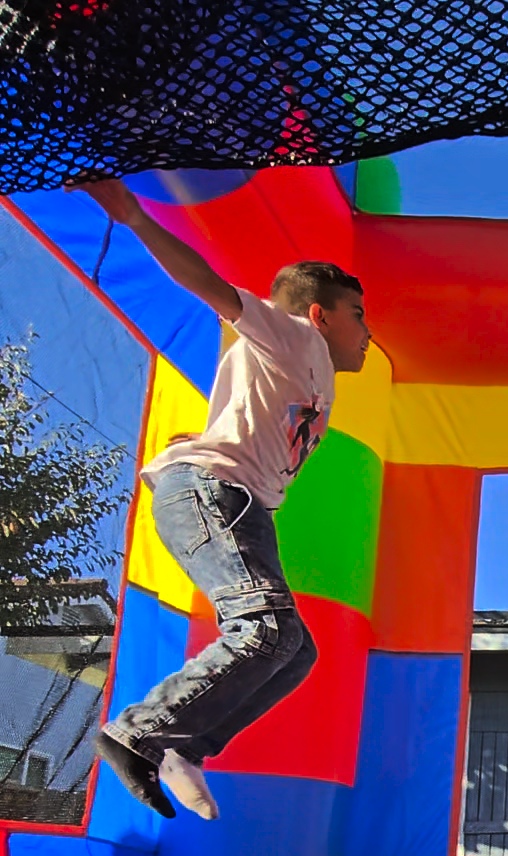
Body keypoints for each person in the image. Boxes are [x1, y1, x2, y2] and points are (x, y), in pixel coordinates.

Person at [75, 179, 370, 821]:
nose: (368, 333)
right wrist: (133, 218)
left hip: (238, 504)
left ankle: (187, 744)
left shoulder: (312, 370)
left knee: (295, 649)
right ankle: (140, 730)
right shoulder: (294, 335)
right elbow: (205, 282)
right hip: (213, 493)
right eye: (359, 315)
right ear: (319, 313)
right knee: (264, 629)